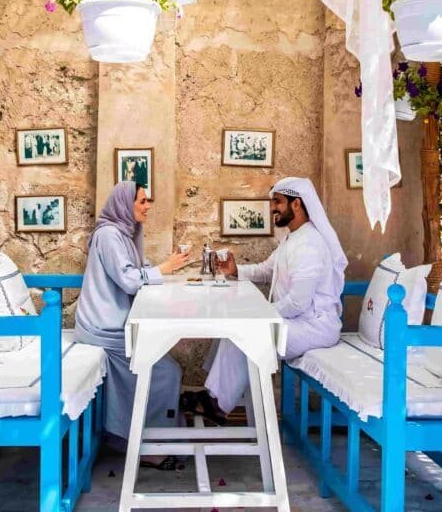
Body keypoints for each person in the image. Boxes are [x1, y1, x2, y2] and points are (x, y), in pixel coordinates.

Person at [186, 177, 347, 423]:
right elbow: (266, 270)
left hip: (314, 326)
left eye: (278, 202)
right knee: (233, 327)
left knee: (248, 332)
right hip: (297, 321)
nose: (272, 207)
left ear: (297, 204)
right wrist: (235, 270)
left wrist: (260, 314)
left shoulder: (311, 244)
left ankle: (218, 404)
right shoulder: (292, 238)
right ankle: (214, 394)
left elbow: (297, 304)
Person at [75, 181, 193, 469]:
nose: (147, 206)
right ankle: (146, 444)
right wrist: (165, 268)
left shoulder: (124, 234)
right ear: (123, 204)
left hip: (114, 323)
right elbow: (128, 279)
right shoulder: (109, 235)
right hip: (102, 327)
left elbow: (134, 268)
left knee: (164, 367)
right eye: (141, 201)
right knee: (165, 371)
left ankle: (150, 435)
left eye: (147, 201)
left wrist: (163, 268)